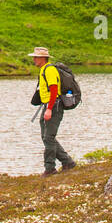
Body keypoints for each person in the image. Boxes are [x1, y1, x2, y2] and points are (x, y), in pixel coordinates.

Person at [28, 46, 76, 175]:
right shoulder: (44, 69)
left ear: (43, 58)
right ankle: (68, 162)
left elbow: (54, 90)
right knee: (46, 137)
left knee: (48, 137)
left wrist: (49, 109)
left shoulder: (49, 70)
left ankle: (50, 169)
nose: (34, 59)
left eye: (36, 57)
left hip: (54, 106)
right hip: (48, 105)